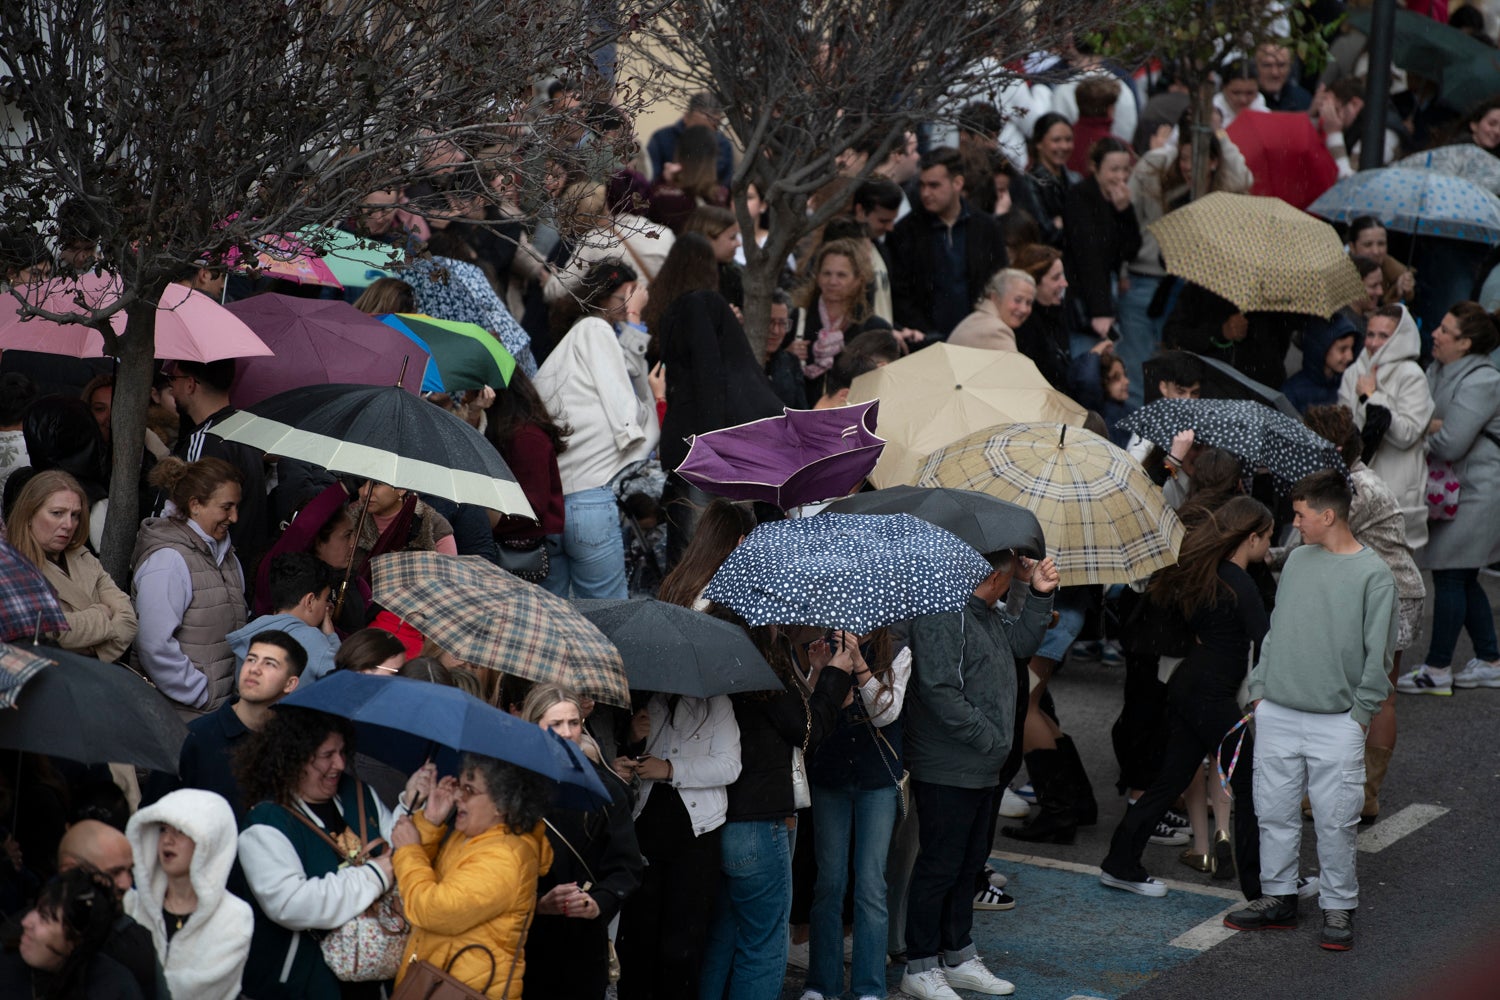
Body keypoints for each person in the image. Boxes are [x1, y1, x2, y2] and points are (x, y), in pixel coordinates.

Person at [1227, 471, 1395, 952]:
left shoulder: (1373, 574)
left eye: (1300, 515)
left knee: (1335, 821)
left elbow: (1378, 656)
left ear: (1327, 515)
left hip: (1336, 721)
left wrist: (1358, 716)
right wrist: (1260, 689)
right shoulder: (1299, 560)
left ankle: (1338, 905)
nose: (1293, 523)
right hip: (1278, 710)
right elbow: (1277, 630)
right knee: (1273, 812)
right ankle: (1278, 897)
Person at [899, 552, 1058, 1000]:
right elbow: (939, 690)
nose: (1011, 583)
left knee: (967, 864)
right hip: (949, 765)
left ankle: (959, 954)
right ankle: (920, 965)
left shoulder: (983, 614)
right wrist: (991, 739)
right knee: (940, 865)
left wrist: (1038, 593)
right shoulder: (943, 614)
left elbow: (1022, 642)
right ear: (991, 577)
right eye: (1010, 577)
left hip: (980, 766)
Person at [1099, 497, 1272, 901]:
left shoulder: (1205, 573)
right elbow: (1267, 641)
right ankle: (1263, 884)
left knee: (1170, 780)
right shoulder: (1240, 583)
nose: (1269, 546)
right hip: (1211, 696)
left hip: (1188, 686)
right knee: (1247, 781)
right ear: (1251, 538)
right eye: (1267, 537)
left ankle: (1119, 863)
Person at [697, 611, 853, 1000]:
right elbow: (807, 731)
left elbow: (793, 720)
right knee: (764, 946)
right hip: (759, 818)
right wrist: (836, 673)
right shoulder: (761, 661)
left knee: (724, 937)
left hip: (721, 814)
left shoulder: (727, 653)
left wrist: (817, 674)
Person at [1299, 406, 1426, 824]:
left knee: (1379, 696)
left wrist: (1270, 556)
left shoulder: (1358, 489)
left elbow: (1318, 542)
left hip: (1393, 596)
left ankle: (1365, 795)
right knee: (1350, 693)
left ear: (1332, 448)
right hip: (1367, 594)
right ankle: (1338, 789)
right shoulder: (1340, 482)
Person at [235, 707, 403, 1000]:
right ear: (295, 757)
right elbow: (291, 903)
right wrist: (375, 875)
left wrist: (412, 807)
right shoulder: (266, 824)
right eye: (327, 755)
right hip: (304, 983)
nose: (339, 764)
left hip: (376, 981)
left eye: (342, 752)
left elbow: (399, 854)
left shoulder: (359, 795)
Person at [534, 260, 659, 599]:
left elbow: (628, 371)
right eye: (624, 296)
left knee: (555, 618)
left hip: (551, 504)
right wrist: (635, 319)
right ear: (602, 297)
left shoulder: (572, 345)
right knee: (607, 618)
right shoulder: (595, 329)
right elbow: (625, 409)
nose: (630, 303)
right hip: (588, 499)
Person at [801, 630, 911, 1000]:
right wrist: (819, 672)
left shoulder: (898, 651)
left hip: (876, 781)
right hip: (829, 775)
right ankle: (821, 984)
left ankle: (869, 988)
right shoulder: (821, 647)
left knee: (870, 886)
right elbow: (806, 715)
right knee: (828, 884)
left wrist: (860, 667)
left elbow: (886, 714)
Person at [613, 688, 741, 1000]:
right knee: (638, 940)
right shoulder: (648, 701)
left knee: (682, 943)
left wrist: (671, 769)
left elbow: (729, 766)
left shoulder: (716, 702)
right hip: (646, 831)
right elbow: (629, 763)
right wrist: (633, 740)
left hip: (696, 835)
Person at [391, 756, 554, 999]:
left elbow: (430, 909)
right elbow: (426, 881)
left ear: (502, 804)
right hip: (435, 981)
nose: (457, 797)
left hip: (462, 989)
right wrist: (430, 823)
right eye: (460, 786)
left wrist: (409, 850)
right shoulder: (474, 834)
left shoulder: (505, 859)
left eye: (469, 790)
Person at [1399, 303, 1500, 695]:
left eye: (1445, 330)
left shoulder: (1483, 380)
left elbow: (1451, 442)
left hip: (1479, 490)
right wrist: (1431, 425)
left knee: (1451, 573)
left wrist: (1425, 428)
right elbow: (1423, 418)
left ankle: (1438, 668)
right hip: (1456, 489)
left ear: (1466, 343)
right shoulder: (1437, 368)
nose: (1435, 334)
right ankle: (1490, 660)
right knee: (1461, 573)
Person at [520, 684, 643, 999]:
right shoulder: (513, 788)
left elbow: (625, 866)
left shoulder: (606, 791)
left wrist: (598, 903)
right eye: (555, 725)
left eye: (573, 723)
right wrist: (536, 903)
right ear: (534, 728)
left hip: (583, 944)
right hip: (523, 941)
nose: (567, 732)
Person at [132, 457, 248, 719]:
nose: (234, 517)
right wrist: (199, 693)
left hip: (217, 711)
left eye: (236, 507)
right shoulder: (169, 560)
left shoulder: (227, 556)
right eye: (226, 507)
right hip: (180, 714)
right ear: (195, 505)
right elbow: (154, 644)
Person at [123, 789, 253, 1000]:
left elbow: (199, 991)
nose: (167, 840)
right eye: (163, 829)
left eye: (181, 831)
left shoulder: (234, 916)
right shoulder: (131, 904)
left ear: (209, 841)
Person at [6, 470, 136, 661]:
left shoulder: (82, 556)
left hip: (99, 673)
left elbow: (128, 619)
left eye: (75, 515)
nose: (68, 524)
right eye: (57, 513)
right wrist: (102, 612)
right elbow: (47, 630)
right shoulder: (12, 566)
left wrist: (92, 650)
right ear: (28, 514)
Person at [175, 631, 307, 820]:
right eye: (251, 659)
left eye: (269, 664)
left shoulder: (294, 743)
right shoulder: (197, 736)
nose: (254, 669)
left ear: (290, 684)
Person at [888, 147, 1009, 342]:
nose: (926, 193)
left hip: (977, 338)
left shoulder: (986, 228)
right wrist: (928, 335)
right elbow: (901, 293)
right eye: (922, 185)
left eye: (934, 185)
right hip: (925, 342)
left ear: (957, 183)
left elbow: (998, 281)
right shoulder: (906, 232)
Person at [1338, 304, 1434, 551]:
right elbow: (1346, 428)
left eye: (1383, 336)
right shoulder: (1353, 372)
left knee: (1392, 579)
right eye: (1370, 334)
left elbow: (1407, 434)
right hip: (1358, 487)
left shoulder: (1411, 375)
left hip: (1397, 489)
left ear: (1400, 338)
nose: (1373, 343)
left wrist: (1370, 398)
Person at [163, 358, 269, 577]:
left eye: (173, 378)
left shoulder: (205, 440)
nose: (171, 387)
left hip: (206, 572)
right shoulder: (246, 433)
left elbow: (186, 519)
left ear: (190, 384)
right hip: (238, 572)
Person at [0, 868, 144, 999]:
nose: (25, 921)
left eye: (44, 918)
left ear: (76, 940)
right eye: (36, 909)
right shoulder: (6, 967)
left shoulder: (115, 989)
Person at [1063, 137, 1142, 347]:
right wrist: (1100, 310)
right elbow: (1089, 256)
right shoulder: (1080, 197)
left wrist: (1125, 211)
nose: (1121, 177)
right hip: (1085, 296)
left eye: (1126, 170)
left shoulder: (1119, 200)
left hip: (1111, 290)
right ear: (1095, 168)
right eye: (1114, 170)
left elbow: (1131, 250)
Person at [228, 553, 341, 683]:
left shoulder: (249, 633)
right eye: (326, 599)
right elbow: (342, 683)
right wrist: (331, 637)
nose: (328, 606)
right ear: (310, 601)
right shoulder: (314, 641)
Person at [1010, 243, 1072, 389]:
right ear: (1034, 283)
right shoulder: (1023, 326)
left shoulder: (1056, 312)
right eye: (1056, 278)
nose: (1065, 283)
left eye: (1063, 275)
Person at [646, 91, 735, 187]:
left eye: (709, 130)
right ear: (686, 117)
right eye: (697, 129)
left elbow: (726, 185)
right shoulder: (661, 139)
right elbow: (650, 180)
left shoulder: (723, 145)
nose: (702, 136)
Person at [1283, 313, 1360, 413]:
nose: (1350, 357)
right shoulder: (1292, 393)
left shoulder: (1351, 383)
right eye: (1342, 349)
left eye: (1351, 348)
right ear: (1321, 349)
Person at [948, 268, 1034, 352]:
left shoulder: (977, 320)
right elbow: (1015, 366)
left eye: (1029, 303)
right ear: (995, 297)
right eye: (1017, 300)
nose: (1024, 309)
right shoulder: (996, 331)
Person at [1025, 114, 1078, 246]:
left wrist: (1063, 222)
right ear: (1039, 143)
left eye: (1068, 140)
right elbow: (1044, 231)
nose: (1064, 146)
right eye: (1056, 140)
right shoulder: (1029, 182)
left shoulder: (1076, 179)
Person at [1345, 217, 1415, 307]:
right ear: (1352, 247)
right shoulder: (1338, 273)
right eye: (1368, 245)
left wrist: (1400, 291)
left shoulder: (1393, 270)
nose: (1376, 251)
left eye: (1381, 244)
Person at [1256, 43, 1312, 112]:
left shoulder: (1303, 100)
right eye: (1267, 65)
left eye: (1281, 65)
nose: (1274, 73)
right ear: (1255, 67)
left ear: (1289, 67)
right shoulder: (1244, 100)